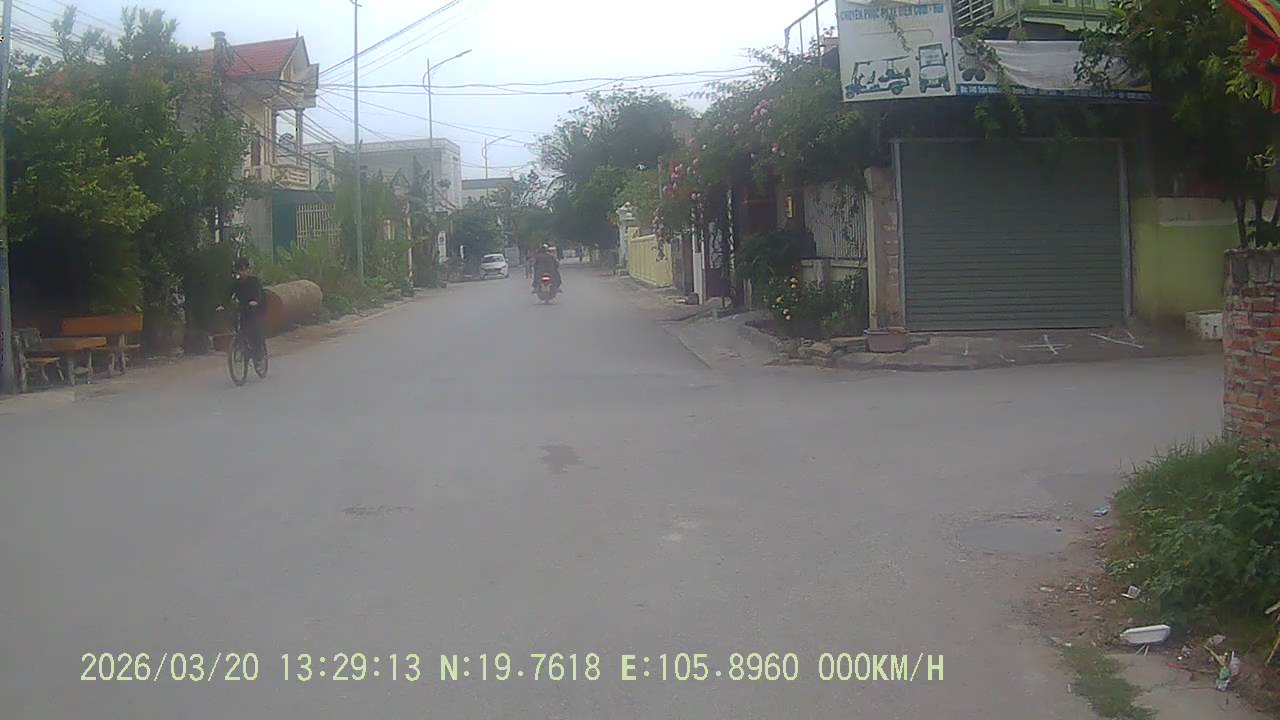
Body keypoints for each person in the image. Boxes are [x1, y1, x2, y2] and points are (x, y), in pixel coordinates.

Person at [218, 257, 266, 365]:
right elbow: (228, 295)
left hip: (255, 307)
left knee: (255, 329)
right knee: (238, 324)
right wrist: (222, 305)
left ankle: (259, 355)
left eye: (244, 270)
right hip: (243, 308)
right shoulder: (236, 283)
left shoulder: (254, 281)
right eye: (240, 270)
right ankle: (241, 344)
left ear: (248, 270)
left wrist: (255, 301)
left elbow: (259, 293)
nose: (243, 272)